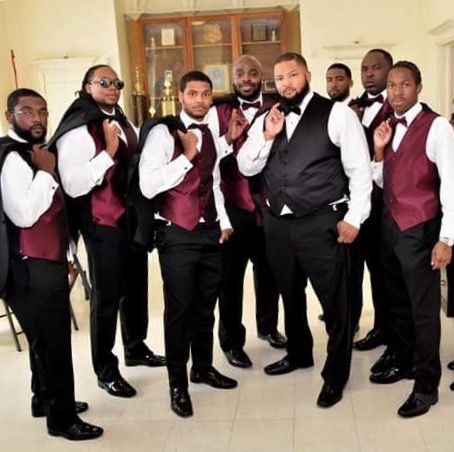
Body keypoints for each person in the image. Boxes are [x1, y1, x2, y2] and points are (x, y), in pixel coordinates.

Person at [237, 52, 372, 408]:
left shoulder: (338, 114)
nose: (286, 83)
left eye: (292, 75)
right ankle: (299, 353)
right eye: (279, 78)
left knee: (335, 301)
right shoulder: (268, 117)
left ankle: (336, 374)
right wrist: (267, 136)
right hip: (278, 225)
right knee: (289, 294)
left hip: (322, 222)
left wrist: (355, 218)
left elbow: (360, 169)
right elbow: (246, 167)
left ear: (307, 75)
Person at [52, 64, 165, 399]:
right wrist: (109, 154)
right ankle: (105, 368)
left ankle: (135, 346)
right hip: (101, 222)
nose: (113, 87)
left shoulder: (122, 118)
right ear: (87, 87)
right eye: (104, 82)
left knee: (136, 286)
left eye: (117, 82)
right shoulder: (78, 129)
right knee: (106, 299)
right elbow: (72, 185)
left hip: (130, 218)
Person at [0, 88, 103, 440]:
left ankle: (43, 399)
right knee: (55, 343)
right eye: (27, 112)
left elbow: (57, 211)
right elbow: (25, 215)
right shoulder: (15, 158)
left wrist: (69, 256)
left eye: (42, 111)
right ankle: (62, 419)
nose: (38, 118)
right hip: (31, 266)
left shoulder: (38, 153)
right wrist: (46, 172)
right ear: (9, 116)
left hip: (48, 259)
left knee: (43, 342)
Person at [138, 70, 241, 418]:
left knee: (205, 306)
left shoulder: (211, 132)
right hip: (177, 234)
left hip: (210, 232)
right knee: (179, 311)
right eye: (193, 93)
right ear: (181, 96)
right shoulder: (162, 135)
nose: (199, 99)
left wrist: (224, 223)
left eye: (205, 94)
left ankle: (203, 367)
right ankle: (177, 384)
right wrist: (186, 156)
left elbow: (212, 183)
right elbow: (148, 186)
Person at [370, 61, 454, 417]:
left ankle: (426, 385)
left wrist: (447, 237)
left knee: (423, 311)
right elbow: (383, 181)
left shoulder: (437, 127)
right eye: (392, 85)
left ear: (419, 87)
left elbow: (452, 184)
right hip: (391, 229)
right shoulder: (388, 127)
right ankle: (404, 362)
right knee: (398, 303)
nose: (397, 92)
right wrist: (378, 150)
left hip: (421, 230)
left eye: (405, 85)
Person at [214, 54, 286, 369]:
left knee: (270, 272)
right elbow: (206, 155)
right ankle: (231, 342)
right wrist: (227, 137)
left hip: (268, 207)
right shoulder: (218, 111)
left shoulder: (277, 107)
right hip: (233, 209)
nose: (246, 78)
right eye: (240, 73)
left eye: (252, 73)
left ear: (262, 76)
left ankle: (268, 327)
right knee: (230, 281)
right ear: (233, 78)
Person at [351, 49, 394, 356]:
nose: (369, 73)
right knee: (360, 269)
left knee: (386, 273)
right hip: (358, 204)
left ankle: (391, 330)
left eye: (376, 68)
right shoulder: (351, 108)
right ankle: (378, 326)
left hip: (388, 206)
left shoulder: (401, 109)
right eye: (365, 68)